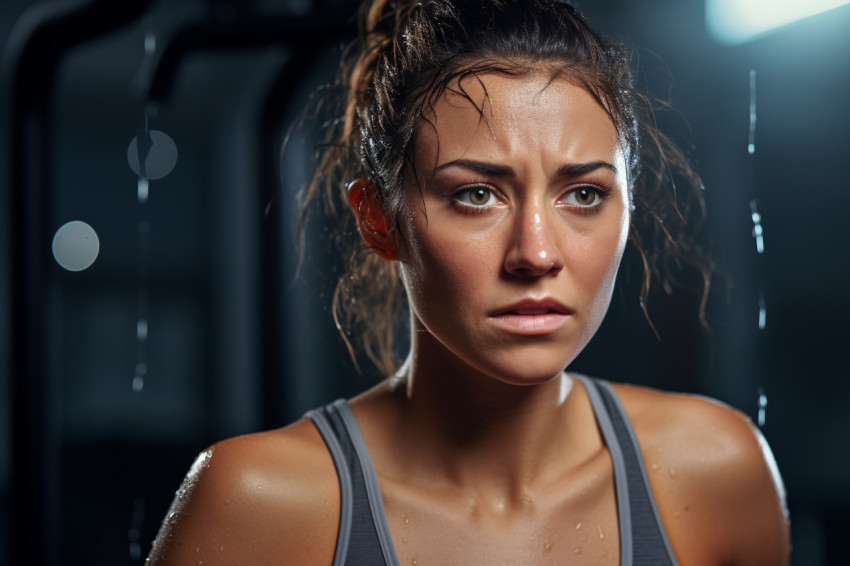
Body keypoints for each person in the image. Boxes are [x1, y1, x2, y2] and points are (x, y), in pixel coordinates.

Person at [146, 1, 790, 564]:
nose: (536, 253)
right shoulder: (259, 504)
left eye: (584, 194)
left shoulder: (717, 471)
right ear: (378, 219)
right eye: (477, 194)